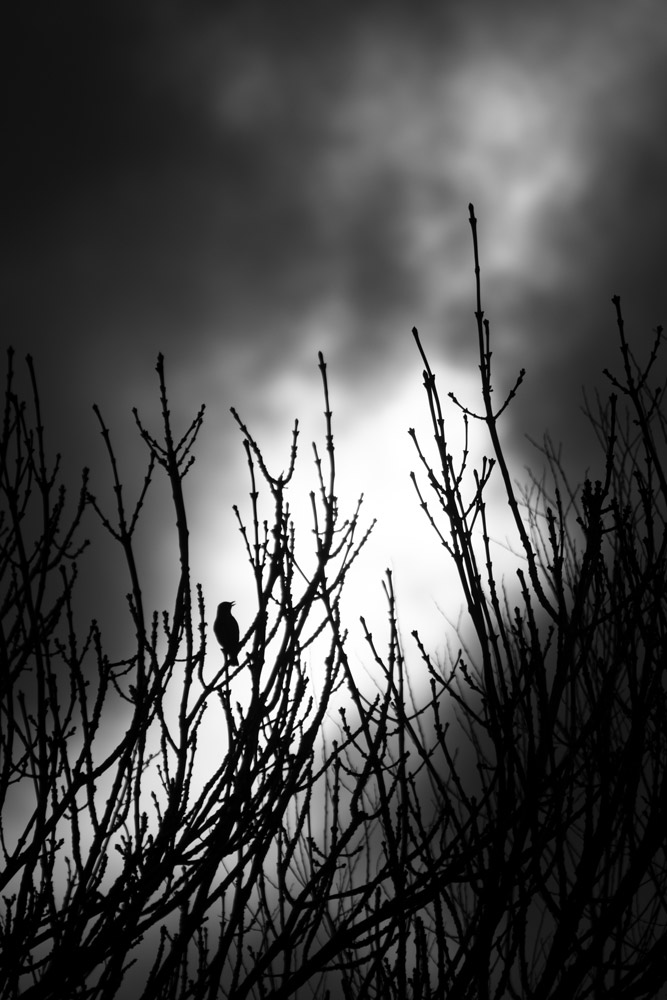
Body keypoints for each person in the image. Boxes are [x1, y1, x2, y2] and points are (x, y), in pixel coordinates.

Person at [213, 601, 240, 666]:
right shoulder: (230, 619)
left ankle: (232, 657)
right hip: (232, 644)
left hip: (228, 645)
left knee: (232, 652)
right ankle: (233, 657)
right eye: (226, 606)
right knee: (232, 653)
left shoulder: (218, 621)